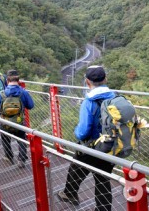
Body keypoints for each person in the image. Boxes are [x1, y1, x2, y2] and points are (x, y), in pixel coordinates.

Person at [58, 65, 116, 211]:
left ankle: (70, 194)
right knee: (102, 178)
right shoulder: (116, 98)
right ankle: (103, 209)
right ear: (106, 79)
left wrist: (76, 132)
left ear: (87, 82)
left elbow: (83, 132)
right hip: (111, 145)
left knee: (76, 166)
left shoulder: (89, 102)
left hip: (92, 146)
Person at [0, 70, 34, 168]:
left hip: (5, 123)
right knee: (21, 138)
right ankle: (22, 159)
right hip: (19, 122)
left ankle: (9, 156)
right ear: (18, 80)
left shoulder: (2, 94)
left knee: (5, 138)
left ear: (7, 81)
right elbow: (31, 105)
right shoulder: (23, 92)